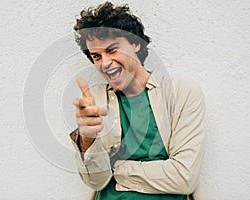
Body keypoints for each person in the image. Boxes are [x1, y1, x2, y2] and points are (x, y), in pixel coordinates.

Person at [69, 2, 206, 200]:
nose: (105, 63)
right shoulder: (94, 100)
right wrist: (87, 139)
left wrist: (116, 168)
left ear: (136, 43)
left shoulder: (182, 93)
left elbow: (184, 177)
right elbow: (97, 182)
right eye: (96, 56)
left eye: (112, 50)